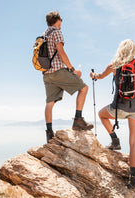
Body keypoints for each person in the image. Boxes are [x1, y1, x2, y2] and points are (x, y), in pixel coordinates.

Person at [89, 39, 135, 188]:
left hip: (119, 108)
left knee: (101, 114)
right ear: (133, 51)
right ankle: (134, 179)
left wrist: (93, 75)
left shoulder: (114, 65)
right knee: (134, 143)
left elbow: (99, 76)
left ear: (120, 50)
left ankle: (114, 140)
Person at [43, 11, 93, 143]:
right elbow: (61, 52)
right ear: (57, 20)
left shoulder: (44, 35)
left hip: (46, 74)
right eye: (61, 20)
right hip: (58, 71)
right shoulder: (56, 32)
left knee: (49, 103)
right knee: (84, 88)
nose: (61, 23)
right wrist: (72, 69)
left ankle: (49, 133)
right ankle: (78, 120)